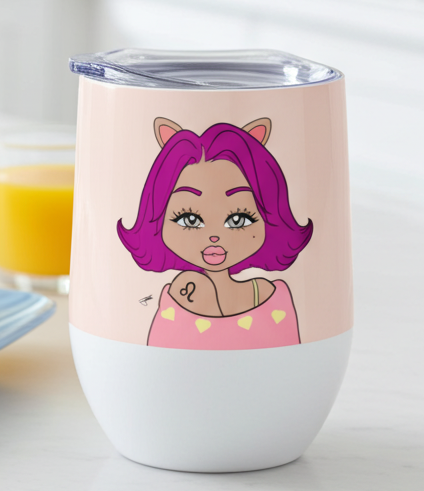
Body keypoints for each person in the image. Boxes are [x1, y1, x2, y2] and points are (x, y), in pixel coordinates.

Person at [117, 117, 311, 349]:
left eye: (238, 219)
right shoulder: (177, 295)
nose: (214, 237)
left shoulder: (271, 295)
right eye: (190, 219)